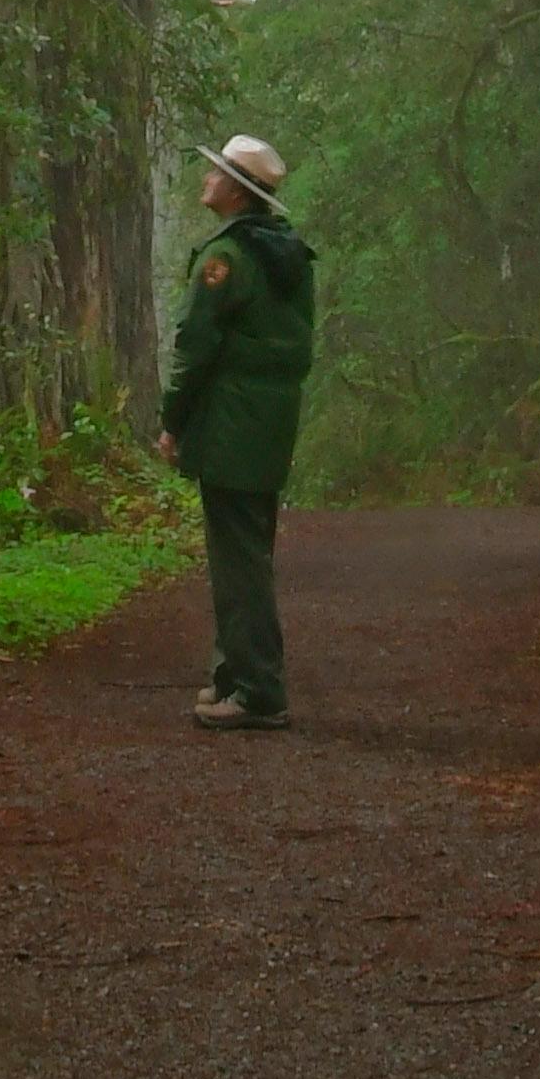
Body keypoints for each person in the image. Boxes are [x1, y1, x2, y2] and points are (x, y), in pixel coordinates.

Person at [158, 132, 315, 730]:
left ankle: (257, 690)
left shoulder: (228, 260)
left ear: (237, 193)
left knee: (239, 560)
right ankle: (233, 676)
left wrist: (173, 420)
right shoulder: (286, 255)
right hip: (269, 423)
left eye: (216, 173)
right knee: (245, 549)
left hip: (230, 424)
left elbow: (195, 347)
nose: (206, 180)